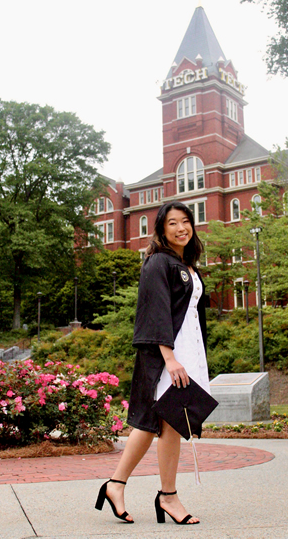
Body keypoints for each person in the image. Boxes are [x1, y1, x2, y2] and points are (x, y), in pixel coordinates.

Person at [95, 201, 209, 525]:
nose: (180, 228)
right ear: (161, 229)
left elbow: (190, 316)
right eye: (172, 223)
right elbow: (157, 310)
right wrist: (170, 359)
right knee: (168, 422)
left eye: (185, 221)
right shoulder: (158, 262)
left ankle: (115, 485)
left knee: (151, 423)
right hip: (166, 354)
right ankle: (168, 496)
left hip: (185, 350)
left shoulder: (186, 264)